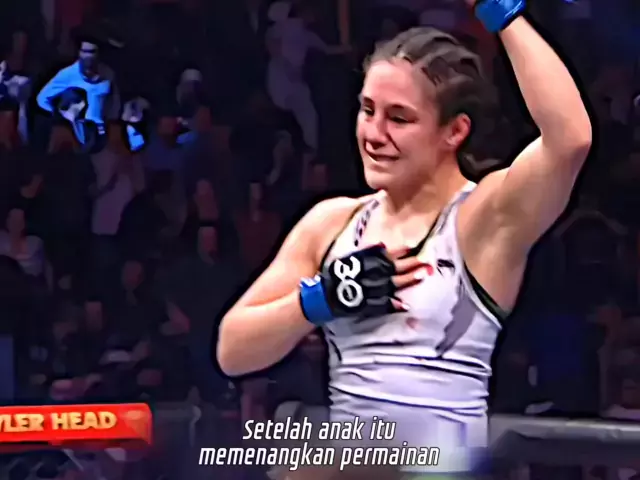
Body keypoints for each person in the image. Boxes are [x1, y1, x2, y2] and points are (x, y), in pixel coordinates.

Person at [217, 0, 592, 476]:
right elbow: (232, 351)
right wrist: (318, 301)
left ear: (454, 131)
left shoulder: (481, 220)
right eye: (367, 110)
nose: (374, 134)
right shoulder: (332, 223)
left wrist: (500, 11)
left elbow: (570, 139)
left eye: (399, 118)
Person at [36, 33, 120, 152]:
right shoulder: (67, 74)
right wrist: (62, 113)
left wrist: (111, 120)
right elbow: (42, 99)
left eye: (91, 52)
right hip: (76, 134)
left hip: (102, 133)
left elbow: (114, 102)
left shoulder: (108, 74)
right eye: (84, 51)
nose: (87, 56)